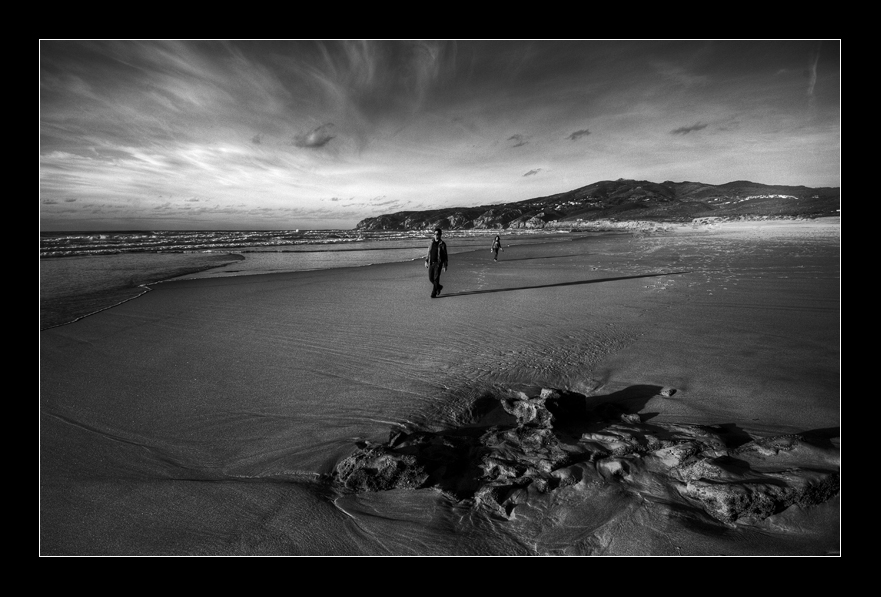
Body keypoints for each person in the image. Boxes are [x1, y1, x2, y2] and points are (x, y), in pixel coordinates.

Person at [424, 228, 448, 298]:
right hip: (431, 263)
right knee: (431, 278)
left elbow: (445, 255)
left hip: (438, 263)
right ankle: (439, 287)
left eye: (437, 234)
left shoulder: (442, 244)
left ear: (440, 235)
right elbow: (428, 252)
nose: (436, 236)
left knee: (436, 279)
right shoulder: (431, 242)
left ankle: (433, 293)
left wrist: (445, 265)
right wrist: (426, 261)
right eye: (434, 234)